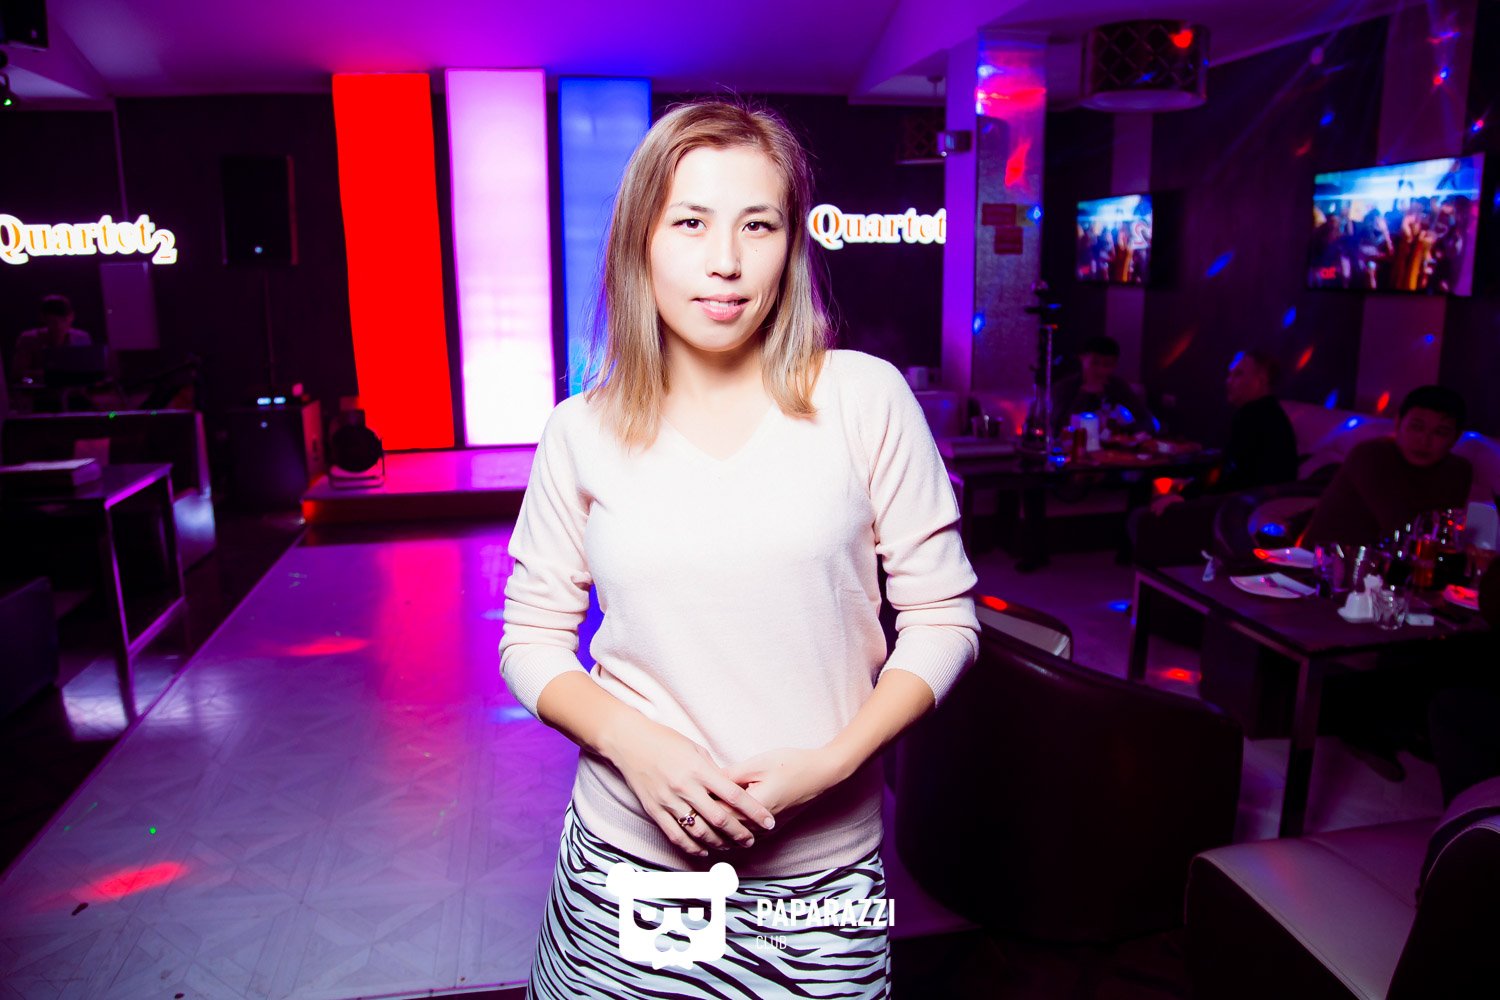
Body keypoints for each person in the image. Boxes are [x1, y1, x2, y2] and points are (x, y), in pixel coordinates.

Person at [499, 100, 979, 999]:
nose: (726, 260)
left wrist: (832, 764)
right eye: (690, 222)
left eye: (757, 225)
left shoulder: (864, 398)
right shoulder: (580, 430)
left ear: (790, 246)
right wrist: (634, 744)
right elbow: (529, 640)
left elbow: (943, 618)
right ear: (641, 241)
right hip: (627, 866)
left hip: (822, 880)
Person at [1130, 350, 1300, 566]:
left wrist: (1185, 496)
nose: (1229, 381)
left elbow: (1232, 473)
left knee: (1142, 517)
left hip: (1239, 509)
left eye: (1238, 374)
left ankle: (1149, 579)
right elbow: (1234, 464)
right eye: (1230, 374)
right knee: (1148, 489)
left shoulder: (1257, 417)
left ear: (1262, 379)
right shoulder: (1261, 413)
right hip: (1242, 500)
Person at [1301, 385, 1472, 549]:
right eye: (1417, 427)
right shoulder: (1372, 455)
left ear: (1456, 437)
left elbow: (1446, 535)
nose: (1425, 441)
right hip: (1323, 562)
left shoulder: (1458, 471)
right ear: (1398, 423)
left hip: (1401, 564)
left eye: (1440, 432)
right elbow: (1400, 528)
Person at [1049, 335, 1152, 436]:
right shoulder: (1065, 387)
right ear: (1082, 359)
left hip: (1111, 445)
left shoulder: (1118, 387)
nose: (1101, 370)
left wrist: (1122, 431)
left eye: (1107, 365)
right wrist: (1083, 395)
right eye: (1095, 363)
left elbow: (1146, 421)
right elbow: (1056, 426)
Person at [10, 294, 93, 384]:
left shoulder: (81, 338)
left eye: (63, 320)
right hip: (39, 391)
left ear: (72, 317)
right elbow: (18, 376)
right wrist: (41, 379)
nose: (59, 326)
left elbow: (90, 372)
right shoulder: (29, 339)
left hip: (74, 390)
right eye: (53, 321)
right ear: (43, 318)